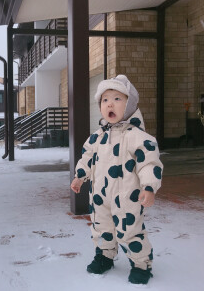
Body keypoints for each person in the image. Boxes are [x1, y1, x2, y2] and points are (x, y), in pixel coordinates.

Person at [70, 75, 163, 285]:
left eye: (117, 99)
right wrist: (80, 176)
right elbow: (87, 157)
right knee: (101, 227)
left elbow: (149, 163)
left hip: (128, 198)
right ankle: (105, 256)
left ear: (129, 105)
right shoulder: (97, 136)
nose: (110, 103)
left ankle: (141, 264)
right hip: (101, 197)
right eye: (105, 100)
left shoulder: (137, 136)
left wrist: (149, 187)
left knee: (130, 230)